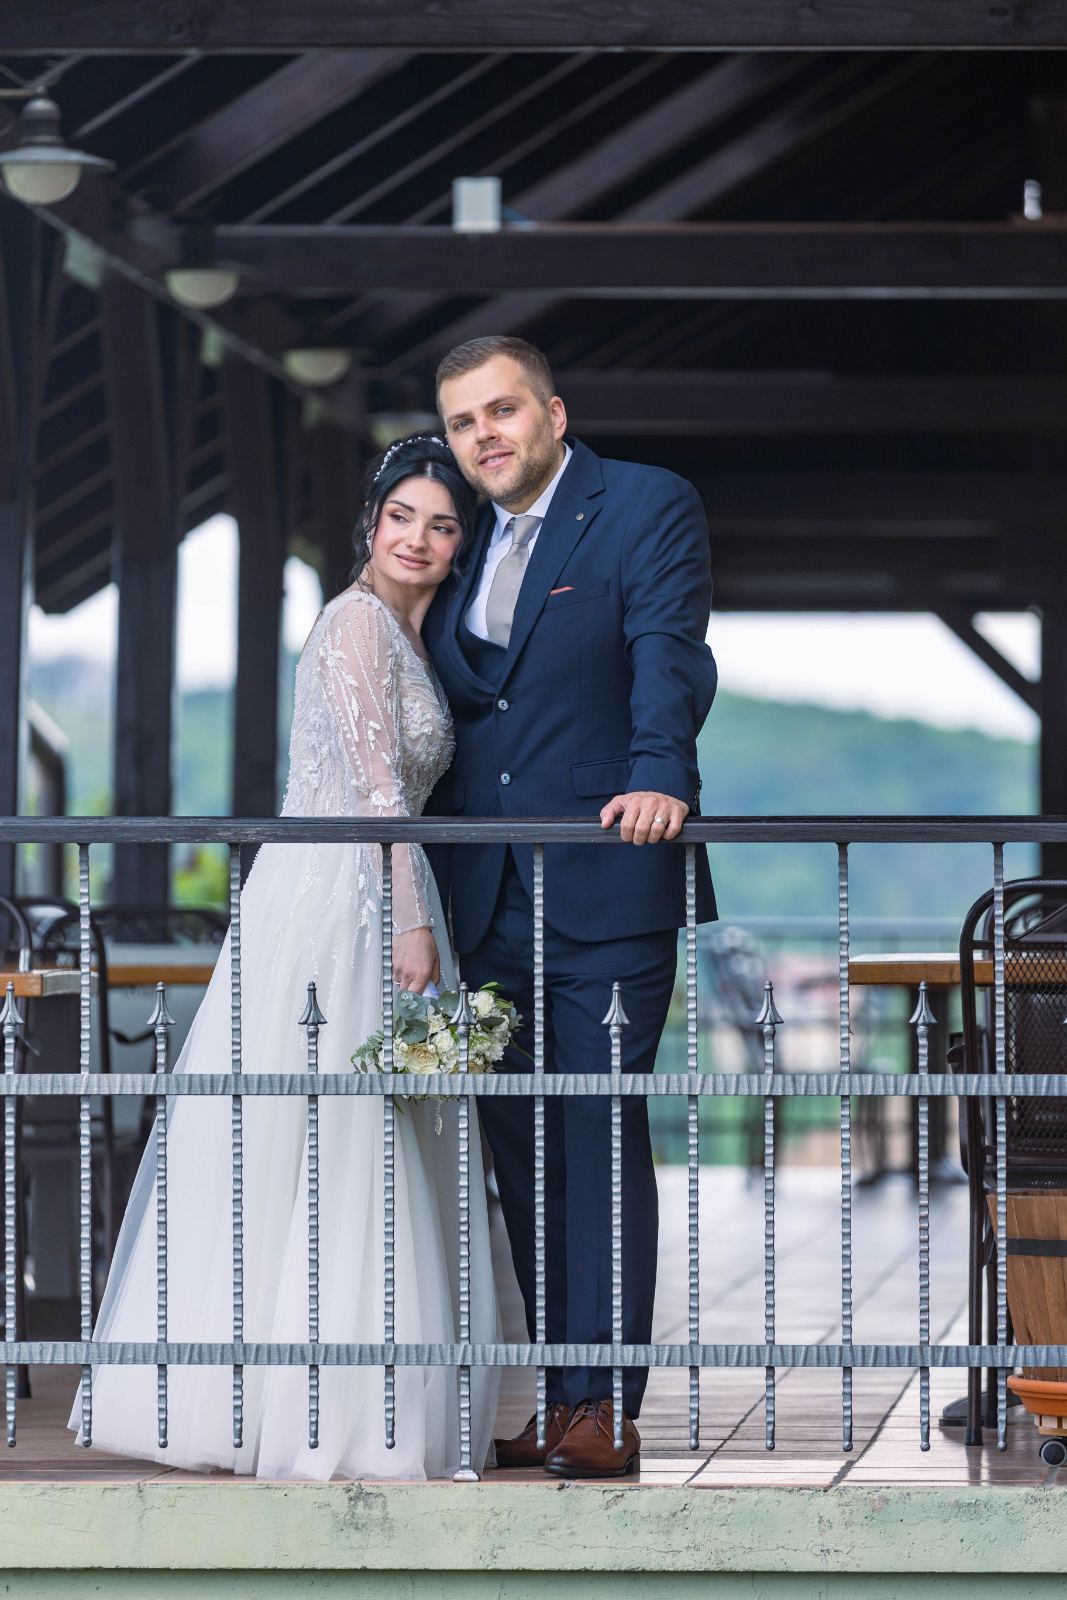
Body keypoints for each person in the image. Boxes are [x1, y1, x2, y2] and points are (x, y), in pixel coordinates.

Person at [68, 434, 500, 1481]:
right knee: (329, 1128)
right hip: (339, 895)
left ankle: (358, 1394)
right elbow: (376, 792)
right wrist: (410, 918)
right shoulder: (354, 622)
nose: (418, 538)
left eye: (442, 525)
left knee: (375, 1129)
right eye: (402, 516)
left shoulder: (415, 637)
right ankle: (318, 1410)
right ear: (370, 522)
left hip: (384, 885)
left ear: (460, 546)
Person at [425, 336, 717, 1478]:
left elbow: (667, 650)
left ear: (553, 413)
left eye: (501, 411)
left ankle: (606, 1406)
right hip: (484, 892)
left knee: (596, 1136)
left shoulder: (643, 503)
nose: (483, 436)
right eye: (462, 422)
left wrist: (660, 774)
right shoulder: (459, 540)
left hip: (606, 877)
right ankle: (557, 1397)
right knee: (522, 1153)